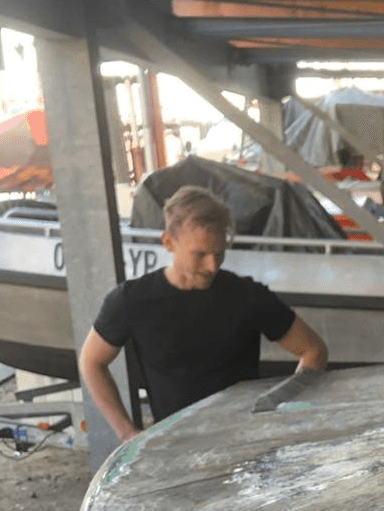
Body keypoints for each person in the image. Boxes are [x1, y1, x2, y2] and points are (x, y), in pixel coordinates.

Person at [79, 185, 328, 443]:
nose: (211, 266)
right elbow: (91, 361)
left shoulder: (248, 296)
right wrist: (126, 432)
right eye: (200, 255)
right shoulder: (132, 300)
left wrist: (282, 407)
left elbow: (314, 351)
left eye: (219, 254)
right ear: (168, 242)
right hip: (174, 445)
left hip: (245, 442)